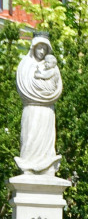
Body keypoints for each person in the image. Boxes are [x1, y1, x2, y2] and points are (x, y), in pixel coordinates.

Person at [15, 32, 62, 176]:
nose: (41, 51)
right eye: (39, 48)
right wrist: (39, 90)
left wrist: (44, 92)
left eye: (44, 48)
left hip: (47, 110)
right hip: (32, 109)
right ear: (33, 47)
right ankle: (28, 165)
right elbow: (24, 87)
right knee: (30, 137)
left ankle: (46, 166)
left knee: (46, 140)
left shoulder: (52, 67)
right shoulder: (25, 65)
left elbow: (57, 88)